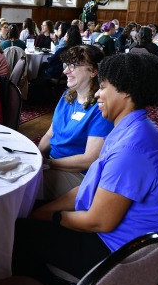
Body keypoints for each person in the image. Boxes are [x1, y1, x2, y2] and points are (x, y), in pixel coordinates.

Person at [13, 53, 158, 285]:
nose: (98, 95)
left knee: (19, 235)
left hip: (126, 256)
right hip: (121, 240)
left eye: (103, 88)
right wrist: (42, 212)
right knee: (30, 214)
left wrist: (55, 217)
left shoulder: (133, 147)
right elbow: (87, 189)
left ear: (125, 92)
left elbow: (99, 221)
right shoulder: (131, 127)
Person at [38, 45, 113, 200]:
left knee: (27, 183)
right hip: (53, 164)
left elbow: (89, 159)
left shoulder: (100, 108)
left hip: (78, 176)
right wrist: (37, 156)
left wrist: (49, 164)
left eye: (73, 66)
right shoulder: (68, 96)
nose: (65, 71)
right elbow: (50, 134)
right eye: (67, 65)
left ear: (93, 71)